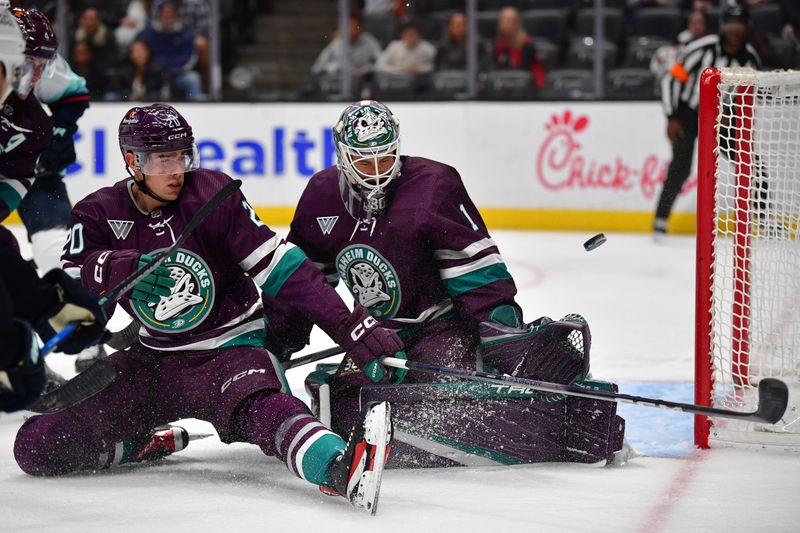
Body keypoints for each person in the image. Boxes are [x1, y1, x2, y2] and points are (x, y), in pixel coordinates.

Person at [13, 103, 401, 513]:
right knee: (35, 448)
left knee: (268, 410)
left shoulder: (213, 194)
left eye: (181, 155)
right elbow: (75, 303)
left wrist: (349, 327)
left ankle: (341, 467)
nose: (176, 168)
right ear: (133, 161)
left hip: (229, 353)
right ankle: (143, 444)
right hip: (152, 362)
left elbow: (284, 270)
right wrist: (122, 268)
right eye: (163, 159)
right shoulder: (97, 214)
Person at [265, 100, 627, 468]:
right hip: (374, 334)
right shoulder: (320, 196)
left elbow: (477, 272)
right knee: (345, 406)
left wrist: (502, 333)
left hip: (439, 326)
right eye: (364, 161)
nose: (376, 173)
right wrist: (276, 345)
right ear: (342, 157)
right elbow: (304, 286)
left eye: (385, 159)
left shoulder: (434, 186)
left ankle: (542, 413)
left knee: (440, 398)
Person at [0, 9, 109, 413]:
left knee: (52, 247)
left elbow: (74, 93)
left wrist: (60, 132)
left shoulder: (32, 115)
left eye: (39, 65)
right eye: (25, 64)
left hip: (31, 166)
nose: (33, 74)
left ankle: (81, 347)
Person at [654, 0, 761, 238]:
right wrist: (671, 116)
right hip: (688, 114)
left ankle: (763, 221)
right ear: (723, 26)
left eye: (740, 24)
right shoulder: (702, 48)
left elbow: (747, 97)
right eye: (731, 23)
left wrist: (731, 118)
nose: (735, 29)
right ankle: (660, 221)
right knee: (680, 168)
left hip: (722, 118)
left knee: (750, 164)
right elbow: (672, 79)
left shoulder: (750, 59)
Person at [137, 0, 203, 100]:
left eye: (171, 14)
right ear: (160, 15)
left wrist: (170, 69)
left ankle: (195, 107)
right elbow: (138, 48)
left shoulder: (184, 35)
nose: (168, 17)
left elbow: (189, 58)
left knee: (192, 78)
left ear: (176, 15)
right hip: (154, 76)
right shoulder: (150, 34)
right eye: (166, 14)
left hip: (176, 75)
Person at [310, 10, 382, 97]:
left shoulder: (369, 42)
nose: (349, 29)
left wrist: (365, 70)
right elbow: (317, 68)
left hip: (364, 90)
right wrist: (338, 68)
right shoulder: (336, 44)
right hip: (338, 88)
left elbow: (382, 63)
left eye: (352, 25)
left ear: (360, 26)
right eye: (346, 25)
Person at [493, 6, 545, 90]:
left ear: (517, 24)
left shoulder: (527, 44)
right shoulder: (498, 43)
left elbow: (524, 73)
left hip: (530, 87)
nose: (506, 24)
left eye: (509, 21)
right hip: (505, 85)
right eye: (503, 21)